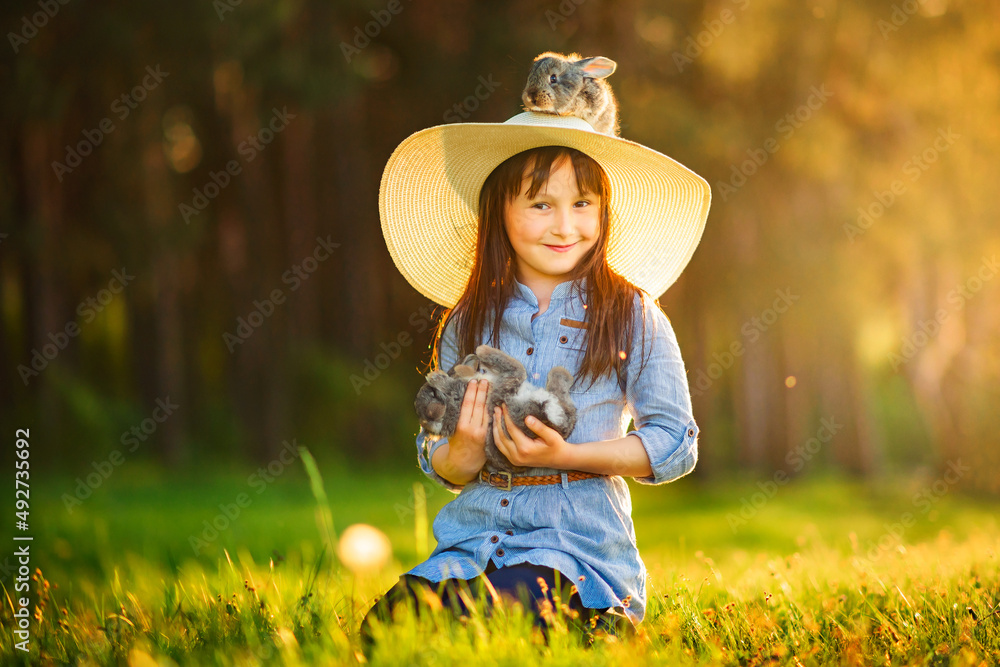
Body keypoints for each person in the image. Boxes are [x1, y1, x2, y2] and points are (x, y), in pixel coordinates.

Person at [360, 109, 712, 657]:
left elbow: (674, 442)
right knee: (384, 628)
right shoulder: (468, 319)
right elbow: (442, 456)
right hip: (474, 541)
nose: (564, 226)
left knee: (502, 611)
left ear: (603, 211)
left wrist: (570, 454)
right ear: (499, 210)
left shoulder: (631, 314)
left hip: (575, 549)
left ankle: (600, 618)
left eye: (582, 204)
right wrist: (463, 452)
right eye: (540, 203)